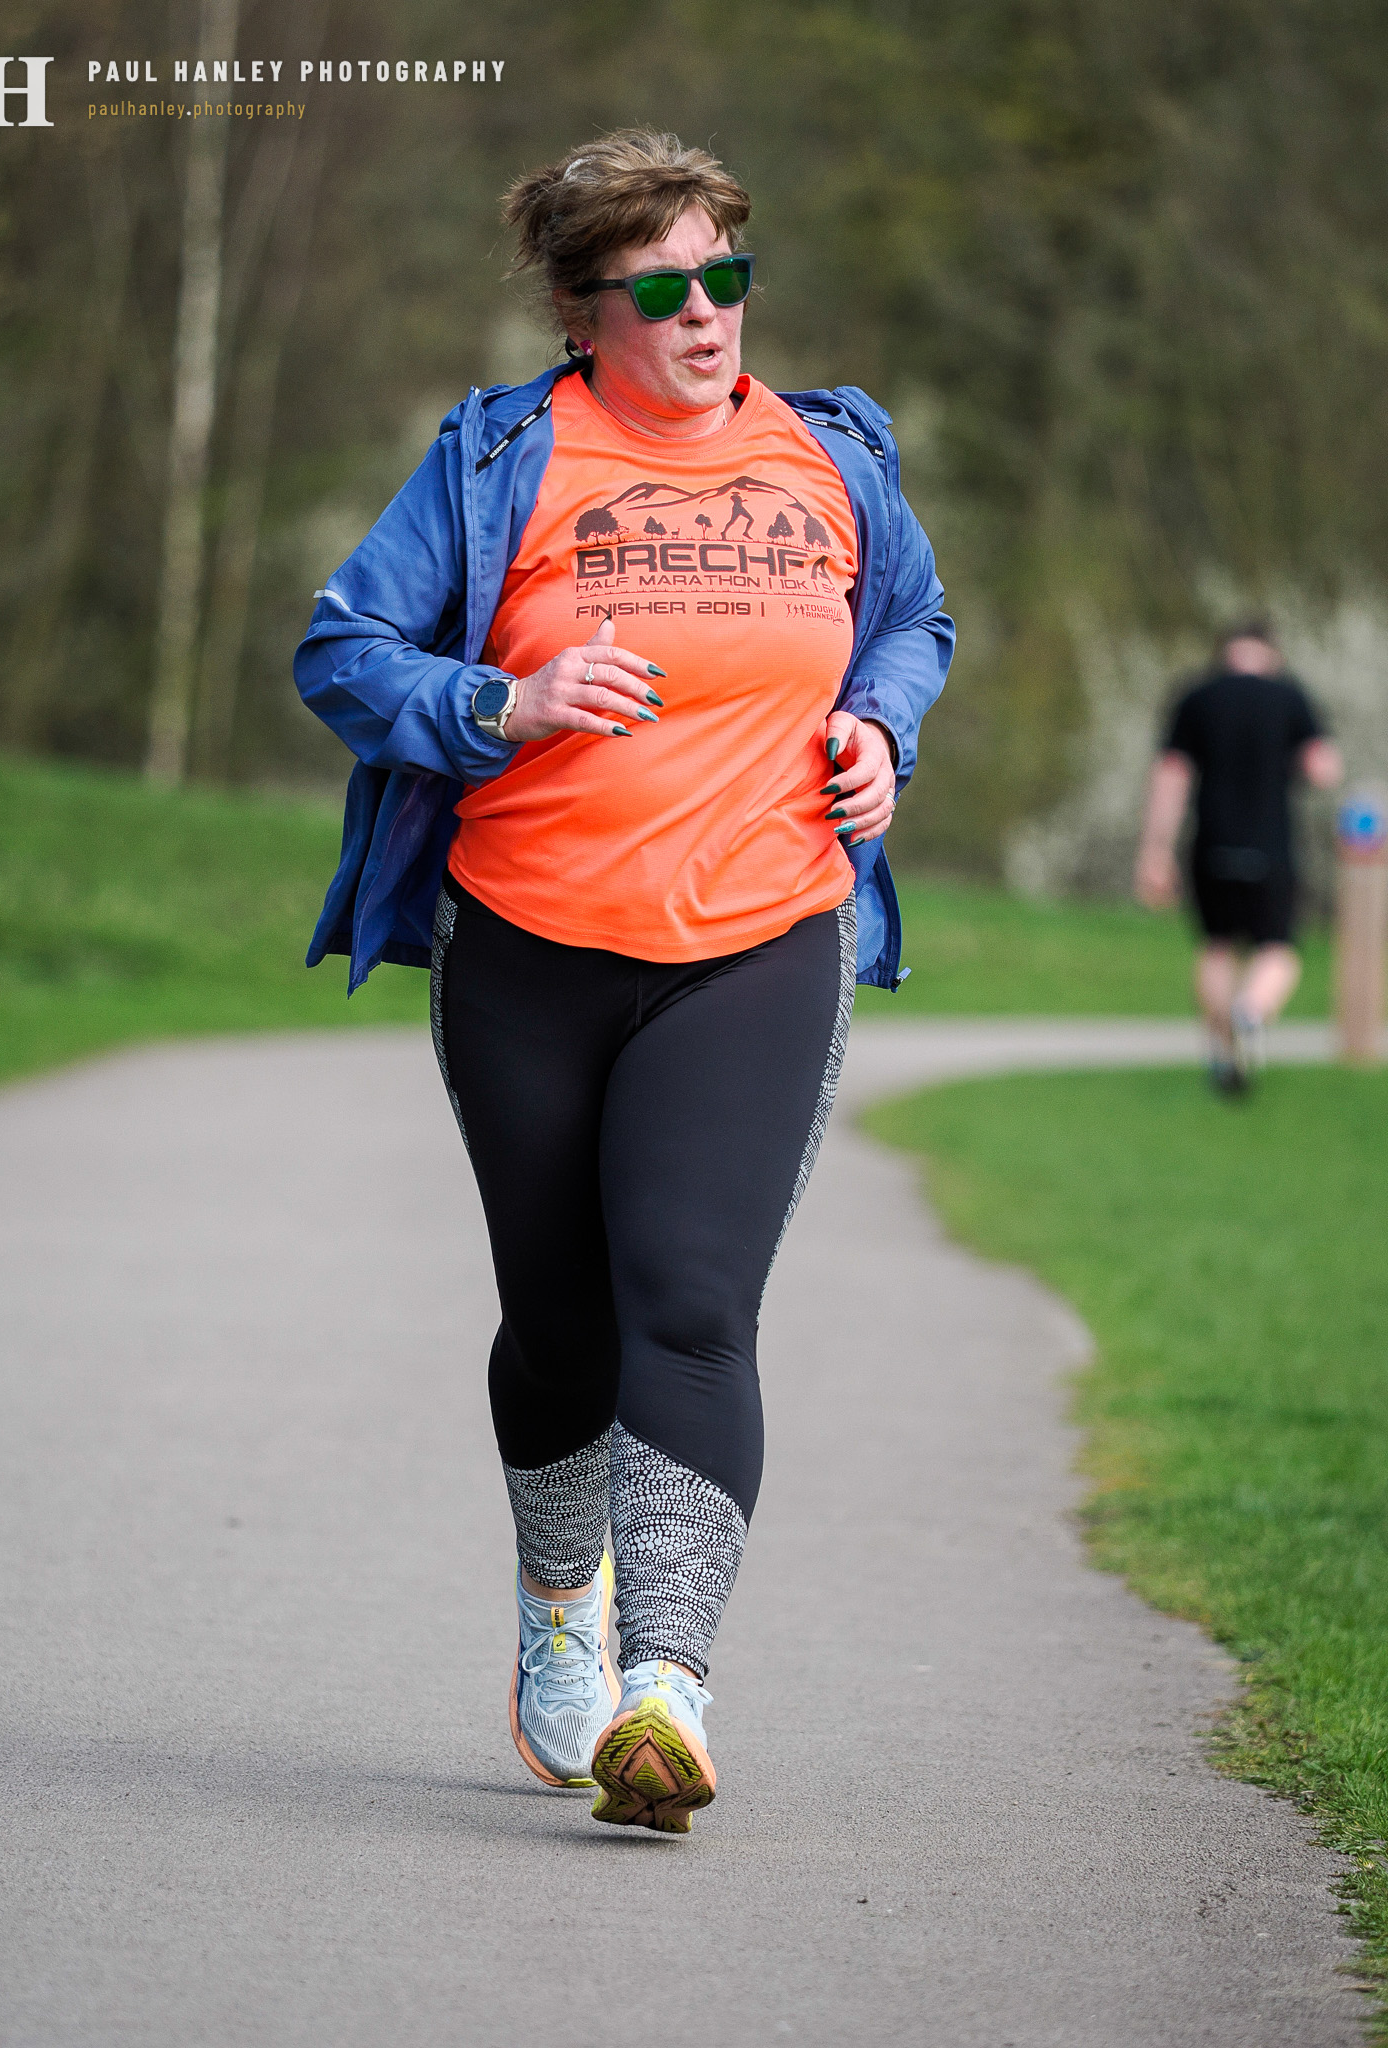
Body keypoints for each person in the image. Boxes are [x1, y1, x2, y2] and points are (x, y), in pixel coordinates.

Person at [294, 128, 952, 1831]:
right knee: (563, 1322)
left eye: (728, 271)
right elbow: (342, 648)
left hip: (759, 934)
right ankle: (557, 1609)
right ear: (586, 309)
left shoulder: (835, 453)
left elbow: (917, 618)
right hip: (527, 939)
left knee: (689, 1298)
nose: (709, 311)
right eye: (665, 285)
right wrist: (500, 702)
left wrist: (881, 719)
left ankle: (669, 1683)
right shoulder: (501, 455)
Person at [1135, 620, 1342, 1091]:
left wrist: (1155, 852)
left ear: (1225, 652)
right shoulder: (1290, 697)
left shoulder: (1198, 697)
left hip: (1211, 846)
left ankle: (1222, 1052)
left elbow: (1171, 776)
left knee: (1217, 946)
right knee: (1278, 950)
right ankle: (1250, 1013)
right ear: (1271, 653)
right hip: (1271, 848)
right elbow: (1324, 769)